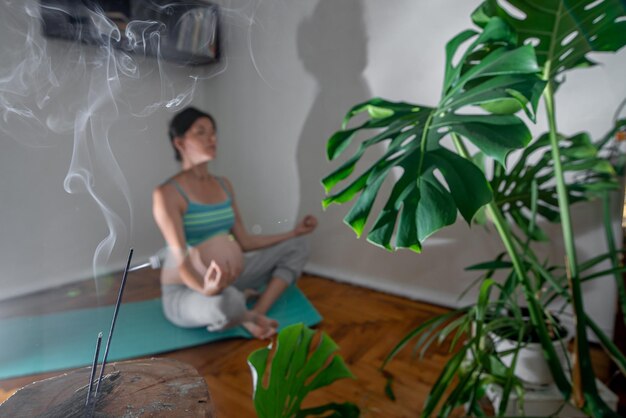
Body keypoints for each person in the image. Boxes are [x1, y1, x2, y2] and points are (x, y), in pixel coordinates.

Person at [152, 107, 317, 339]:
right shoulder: (167, 193)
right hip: (189, 290)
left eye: (213, 132)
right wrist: (208, 289)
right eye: (201, 132)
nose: (212, 138)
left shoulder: (223, 185)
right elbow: (182, 262)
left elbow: (246, 241)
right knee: (225, 302)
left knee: (299, 245)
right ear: (179, 142)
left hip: (232, 278)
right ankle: (245, 315)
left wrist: (294, 232)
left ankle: (256, 311)